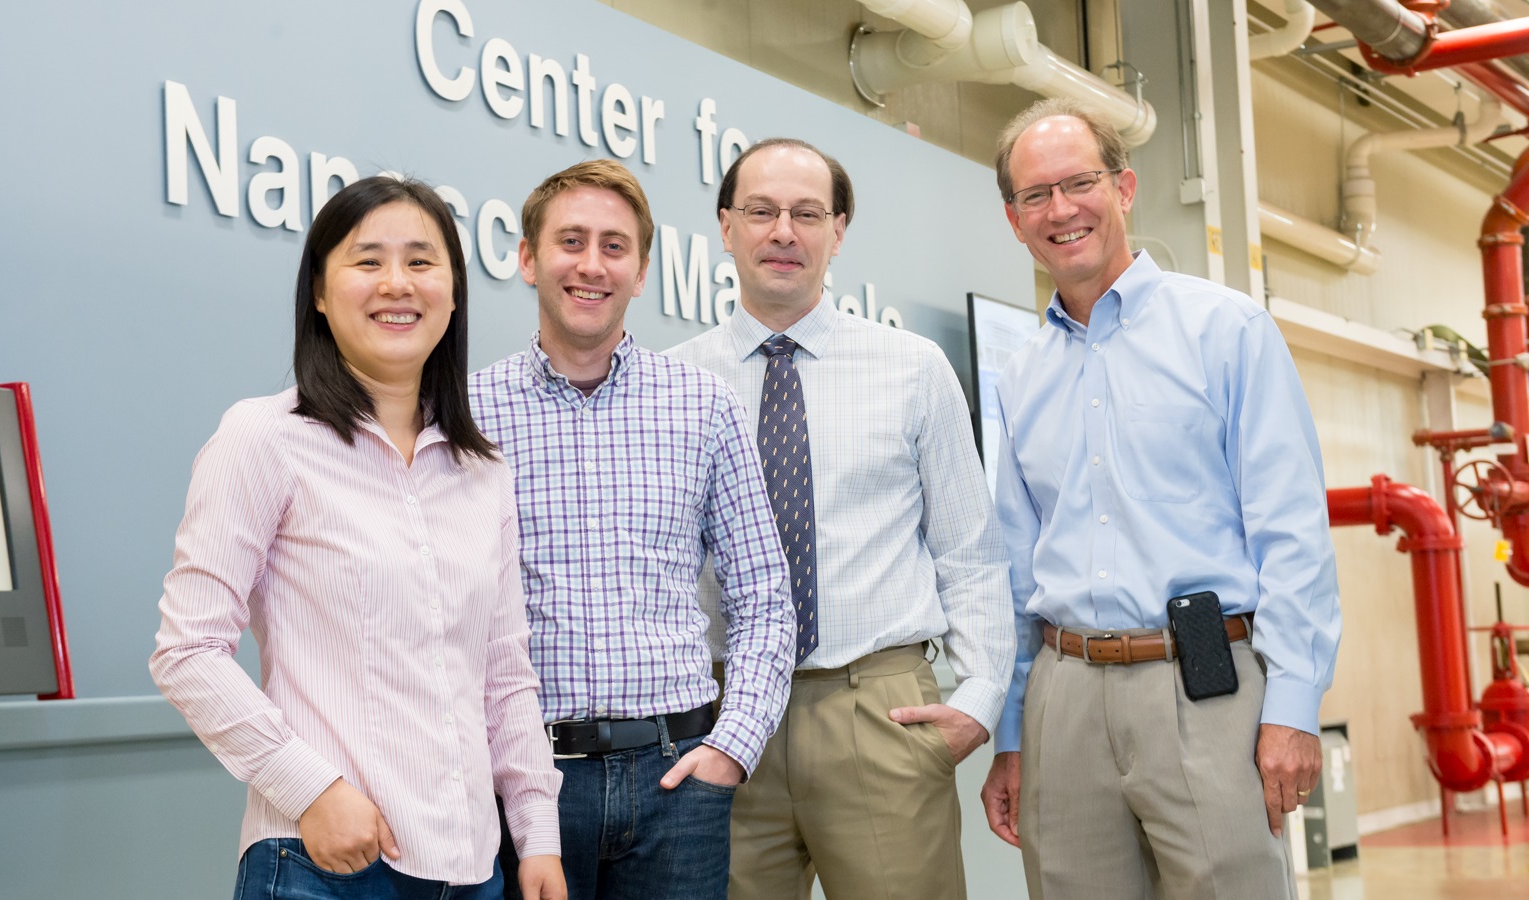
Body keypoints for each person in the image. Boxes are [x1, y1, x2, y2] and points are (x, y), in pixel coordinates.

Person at [150, 176, 565, 900]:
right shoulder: (264, 438)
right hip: (323, 864)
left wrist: (537, 836)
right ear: (318, 290)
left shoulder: (482, 470)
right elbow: (187, 652)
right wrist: (312, 789)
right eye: (367, 260)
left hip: (473, 870)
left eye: (421, 261)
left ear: (455, 291)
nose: (396, 284)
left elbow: (503, 676)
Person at [979, 98, 1341, 900]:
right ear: (1013, 219)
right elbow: (1014, 565)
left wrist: (1293, 705)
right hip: (1063, 696)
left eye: (1079, 183)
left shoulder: (1228, 331)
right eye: (1036, 195)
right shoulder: (1022, 375)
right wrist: (1012, 729)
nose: (1061, 210)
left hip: (1205, 681)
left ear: (1126, 187)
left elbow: (1292, 533)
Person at [667, 138, 1014, 900]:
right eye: (760, 211)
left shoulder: (912, 368)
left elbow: (971, 552)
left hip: (877, 707)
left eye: (806, 213)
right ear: (725, 227)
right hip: (726, 715)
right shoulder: (675, 383)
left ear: (839, 230)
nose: (783, 231)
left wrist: (980, 700)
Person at [470, 159, 795, 900]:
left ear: (642, 270)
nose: (592, 265)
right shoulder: (467, 415)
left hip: (677, 782)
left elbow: (765, 597)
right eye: (571, 241)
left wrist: (732, 749)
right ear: (527, 258)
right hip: (523, 783)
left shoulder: (703, 405)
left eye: (615, 246)